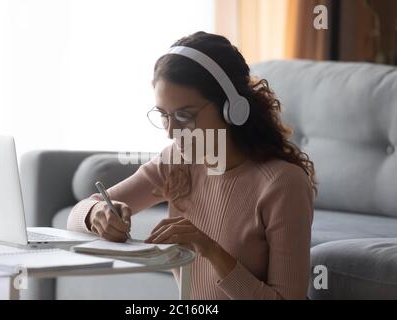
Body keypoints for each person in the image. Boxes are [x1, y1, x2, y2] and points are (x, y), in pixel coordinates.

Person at [67, 31, 316, 300]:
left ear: (232, 108)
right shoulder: (176, 161)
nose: (171, 132)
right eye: (164, 116)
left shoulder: (282, 184)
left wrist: (210, 249)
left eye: (185, 115)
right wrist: (97, 215)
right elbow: (75, 216)